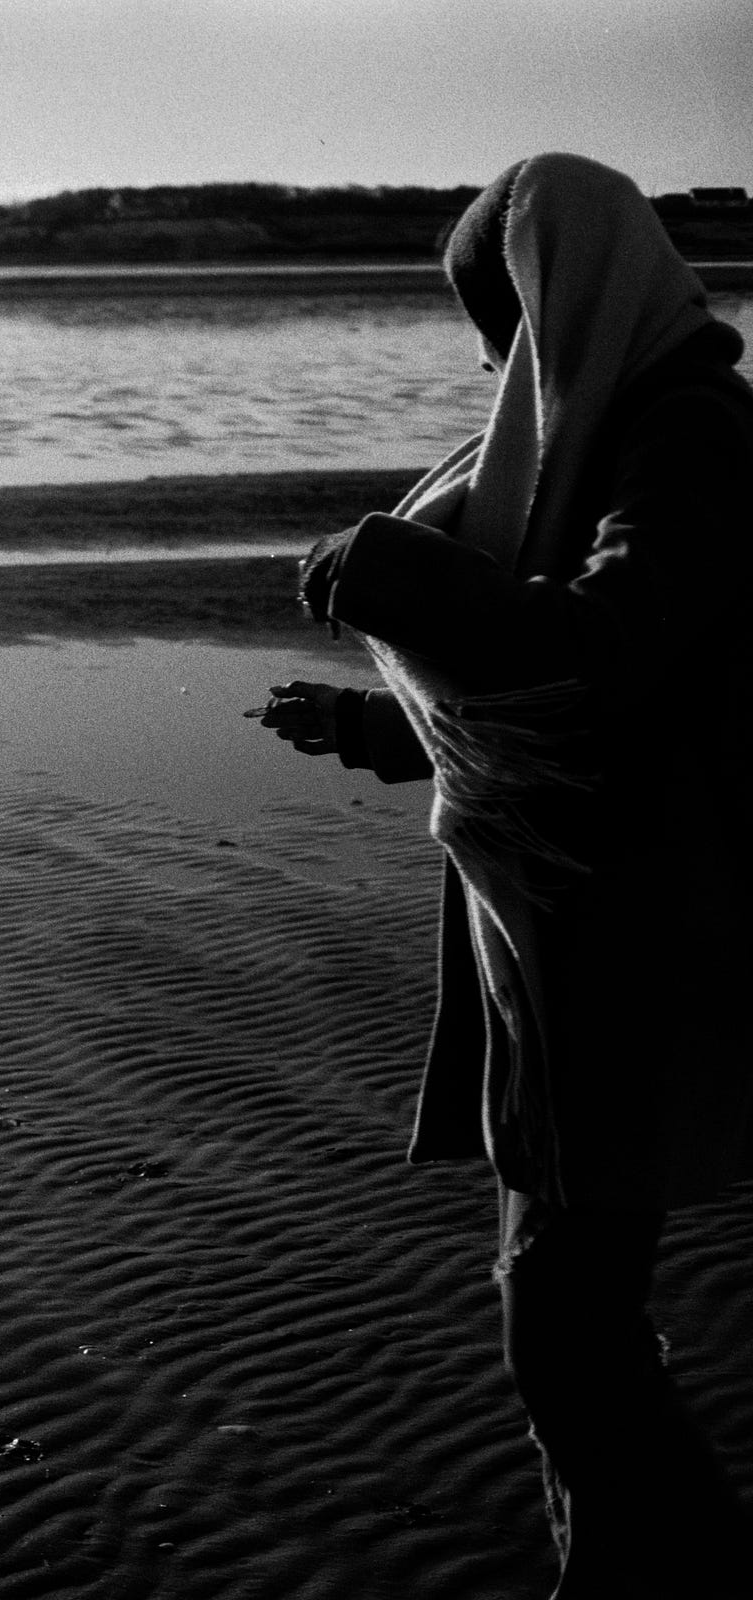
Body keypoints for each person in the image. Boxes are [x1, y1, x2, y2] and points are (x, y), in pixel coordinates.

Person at [251, 153, 753, 1596]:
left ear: (559, 304)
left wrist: (393, 572)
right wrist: (368, 726)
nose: (491, 366)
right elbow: (557, 696)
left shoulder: (690, 434)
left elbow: (599, 657)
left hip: (641, 943)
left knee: (566, 1329)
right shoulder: (614, 424)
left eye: (499, 329)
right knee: (563, 1315)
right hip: (571, 930)